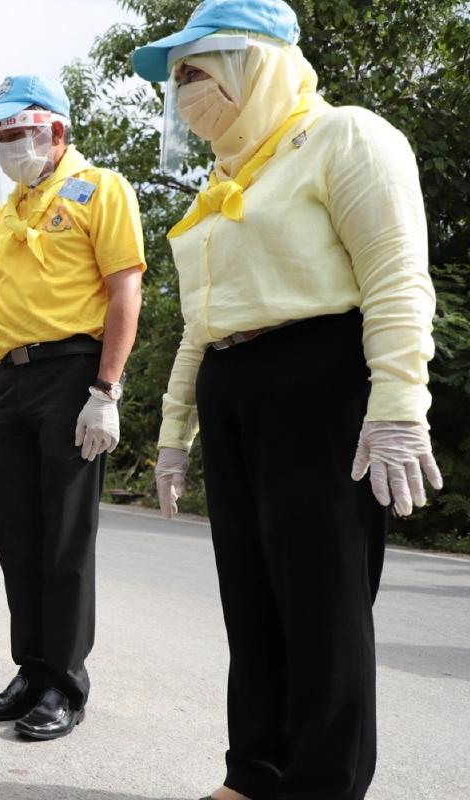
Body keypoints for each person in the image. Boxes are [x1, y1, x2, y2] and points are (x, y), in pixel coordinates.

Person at [132, 2, 442, 798]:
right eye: (180, 81)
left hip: (318, 380)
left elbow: (396, 276)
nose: (186, 92)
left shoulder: (346, 138)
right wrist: (175, 427)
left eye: (196, 71)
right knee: (252, 599)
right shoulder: (224, 179)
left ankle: (322, 785)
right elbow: (204, 320)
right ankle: (254, 773)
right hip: (233, 387)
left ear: (254, 62)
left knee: (322, 603)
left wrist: (400, 402)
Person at [0, 75, 146, 740]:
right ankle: (31, 669)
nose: (7, 145)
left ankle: (64, 684)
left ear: (55, 132)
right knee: (19, 535)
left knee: (64, 538)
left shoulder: (102, 188)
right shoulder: (3, 214)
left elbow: (125, 289)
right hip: (12, 379)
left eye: (16, 133)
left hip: (73, 372)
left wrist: (107, 391)